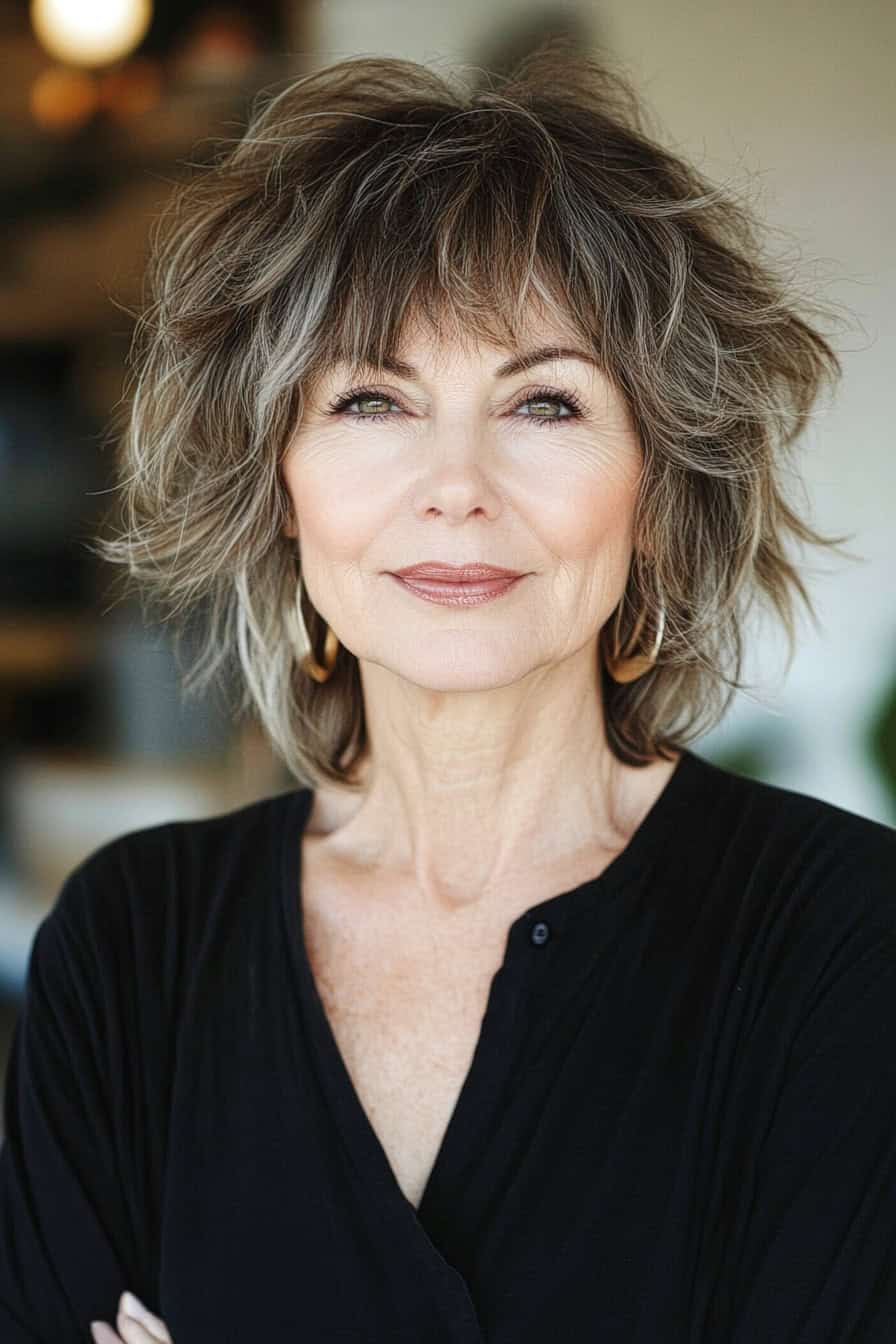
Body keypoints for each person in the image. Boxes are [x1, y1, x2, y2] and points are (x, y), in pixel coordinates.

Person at [2, 39, 894, 1344]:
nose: (457, 484)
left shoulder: (846, 949)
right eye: (373, 399)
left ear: (657, 489)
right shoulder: (132, 954)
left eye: (543, 403)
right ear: (279, 482)